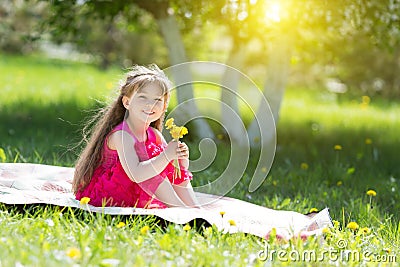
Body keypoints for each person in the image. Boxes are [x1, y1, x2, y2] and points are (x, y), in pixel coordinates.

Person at [73, 64, 199, 208]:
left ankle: (195, 209)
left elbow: (170, 171)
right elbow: (136, 174)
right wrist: (166, 155)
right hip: (109, 194)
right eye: (143, 97)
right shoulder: (122, 136)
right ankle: (181, 210)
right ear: (127, 102)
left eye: (157, 100)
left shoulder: (154, 135)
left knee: (164, 165)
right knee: (154, 165)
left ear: (164, 107)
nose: (150, 104)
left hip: (137, 192)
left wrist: (180, 160)